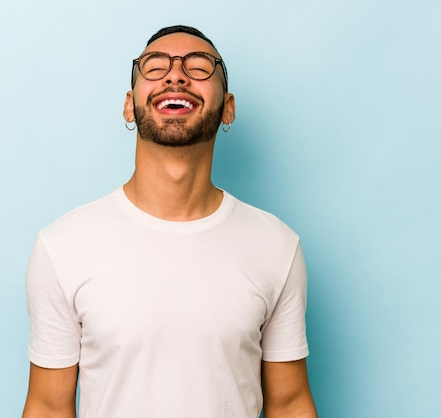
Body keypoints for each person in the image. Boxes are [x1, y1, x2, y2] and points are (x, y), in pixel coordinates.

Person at [22, 25, 317, 418]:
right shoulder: (62, 246)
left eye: (199, 68)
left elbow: (290, 403)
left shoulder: (277, 246)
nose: (175, 75)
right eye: (155, 66)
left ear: (228, 108)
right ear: (130, 105)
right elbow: (47, 407)